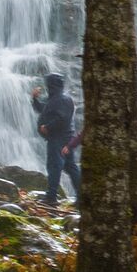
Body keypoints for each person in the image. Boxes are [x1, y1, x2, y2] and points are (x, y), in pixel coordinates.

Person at [29, 72, 80, 206]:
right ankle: (81, 196)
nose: (46, 87)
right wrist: (34, 99)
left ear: (52, 85)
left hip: (59, 139)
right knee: (70, 167)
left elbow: (62, 119)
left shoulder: (61, 99)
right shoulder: (56, 98)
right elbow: (43, 110)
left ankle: (51, 197)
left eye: (48, 84)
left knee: (54, 166)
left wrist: (48, 127)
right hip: (64, 138)